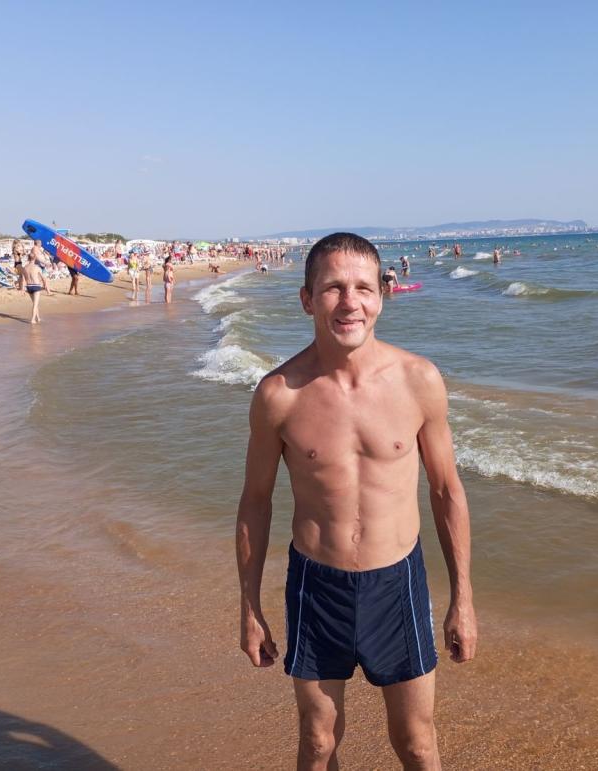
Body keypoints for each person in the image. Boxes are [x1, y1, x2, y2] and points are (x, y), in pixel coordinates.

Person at [236, 232, 477, 770]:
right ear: (307, 299)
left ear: (382, 296)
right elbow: (255, 502)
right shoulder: (279, 394)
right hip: (316, 585)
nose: (350, 302)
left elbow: (446, 491)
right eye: (333, 288)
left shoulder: (418, 380)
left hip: (397, 582)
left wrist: (462, 598)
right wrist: (250, 609)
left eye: (363, 288)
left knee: (417, 743)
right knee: (318, 742)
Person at [20, 250, 51, 324]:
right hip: (36, 286)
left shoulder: (25, 268)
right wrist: (46, 287)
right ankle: (33, 319)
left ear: (28, 258)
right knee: (35, 304)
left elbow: (23, 280)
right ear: (35, 259)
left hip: (28, 287)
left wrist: (23, 289)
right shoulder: (37, 267)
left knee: (34, 303)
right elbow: (43, 278)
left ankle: (38, 317)